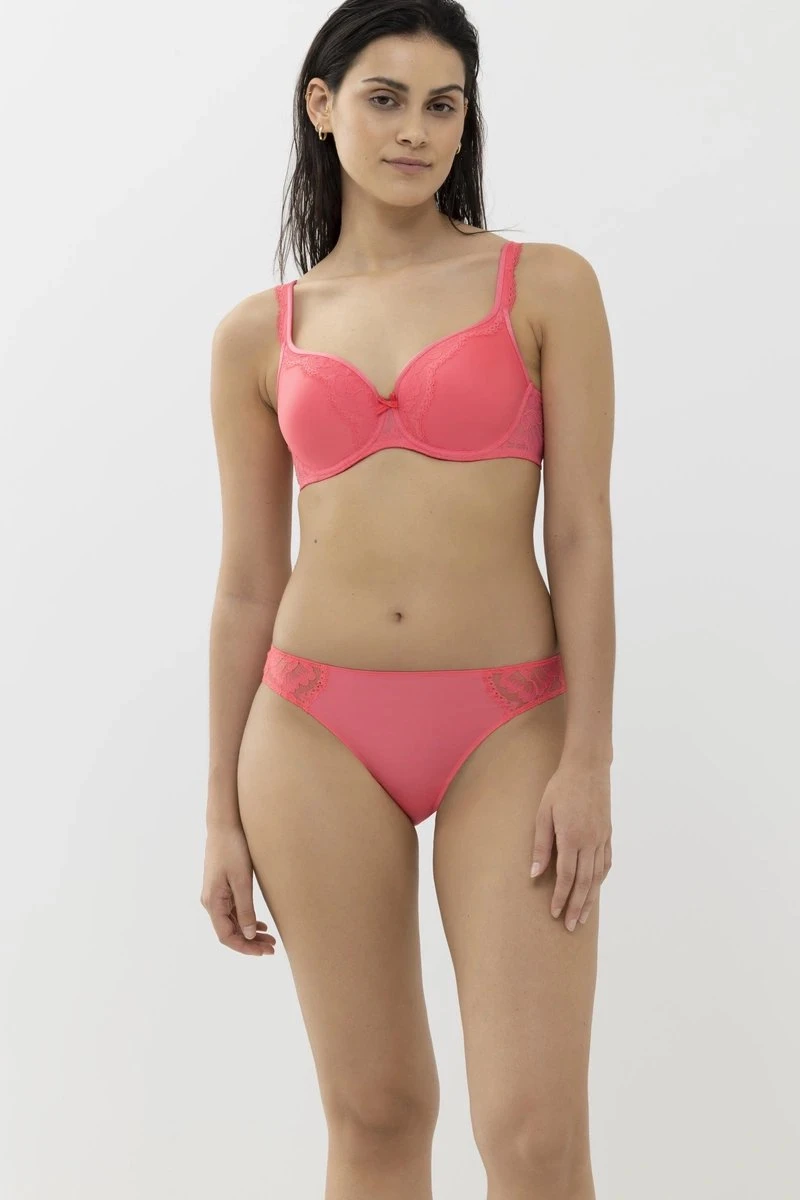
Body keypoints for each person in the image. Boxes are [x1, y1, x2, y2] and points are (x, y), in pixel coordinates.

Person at [202, 2, 615, 1197]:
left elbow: (581, 533)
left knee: (532, 1134)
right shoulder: (257, 334)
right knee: (375, 1113)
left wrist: (587, 760)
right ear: (321, 107)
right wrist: (219, 810)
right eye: (383, 99)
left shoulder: (543, 286)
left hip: (510, 721)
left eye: (442, 105)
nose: (414, 131)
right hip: (309, 728)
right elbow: (246, 584)